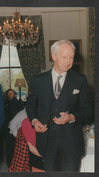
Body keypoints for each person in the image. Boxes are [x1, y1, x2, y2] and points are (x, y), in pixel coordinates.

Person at [26, 40, 92, 172]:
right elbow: (30, 105)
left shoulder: (80, 80)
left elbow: (89, 111)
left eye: (71, 57)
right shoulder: (38, 80)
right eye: (64, 57)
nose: (68, 61)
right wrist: (35, 121)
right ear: (54, 56)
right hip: (47, 143)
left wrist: (72, 117)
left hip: (71, 142)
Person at [3, 89, 23, 167]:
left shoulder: (16, 103)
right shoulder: (6, 105)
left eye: (12, 93)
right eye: (9, 93)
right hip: (9, 128)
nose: (10, 94)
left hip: (16, 128)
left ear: (15, 95)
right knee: (10, 148)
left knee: (13, 148)